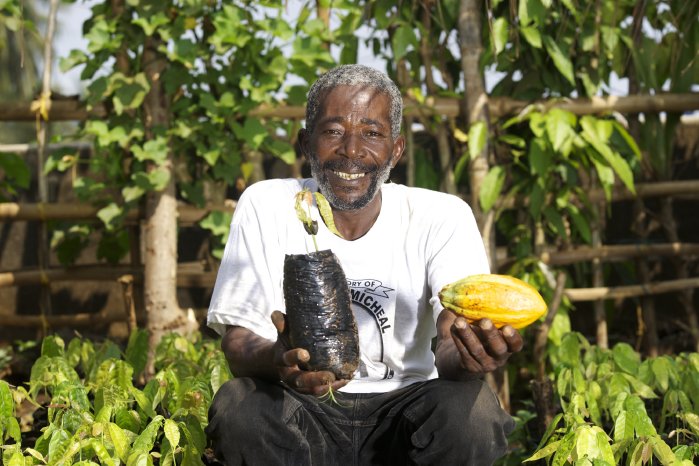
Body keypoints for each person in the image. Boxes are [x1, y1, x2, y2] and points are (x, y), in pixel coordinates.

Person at [206, 64, 523, 465]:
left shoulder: (441, 216)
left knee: (471, 411)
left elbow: (449, 339)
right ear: (305, 143)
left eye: (372, 133)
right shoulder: (267, 205)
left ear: (396, 149)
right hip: (303, 408)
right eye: (333, 131)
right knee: (240, 405)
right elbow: (238, 343)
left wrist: (469, 356)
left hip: (404, 411)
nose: (351, 151)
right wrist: (277, 358)